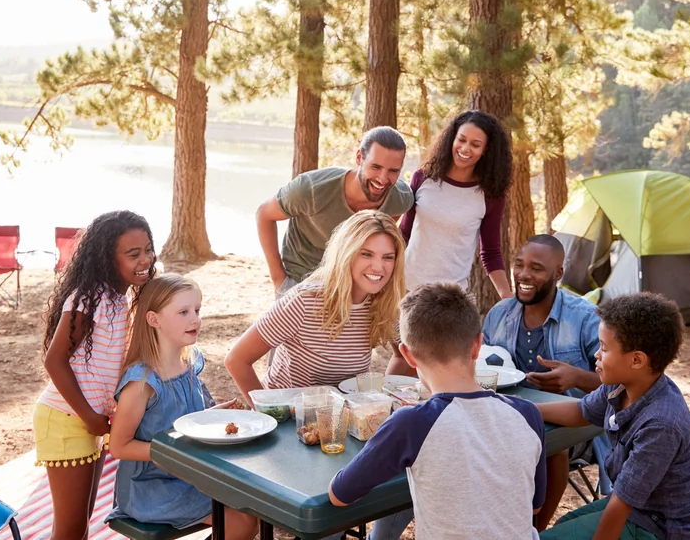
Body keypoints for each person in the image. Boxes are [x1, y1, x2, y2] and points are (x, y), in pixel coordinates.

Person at [329, 282, 547, 540]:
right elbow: (534, 505)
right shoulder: (528, 414)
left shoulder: (411, 423)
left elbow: (339, 494)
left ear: (408, 356)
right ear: (478, 345)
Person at [538, 292, 690, 540]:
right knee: (565, 523)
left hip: (666, 529)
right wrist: (524, 408)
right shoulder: (621, 385)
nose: (597, 355)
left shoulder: (661, 424)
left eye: (604, 348)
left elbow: (621, 505)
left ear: (636, 360)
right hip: (643, 509)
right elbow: (581, 411)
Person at [105, 274, 257, 539]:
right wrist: (174, 453)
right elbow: (119, 446)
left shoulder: (189, 364)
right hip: (152, 486)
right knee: (242, 520)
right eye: (183, 312)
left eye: (197, 310)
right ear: (154, 320)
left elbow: (184, 422)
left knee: (253, 506)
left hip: (188, 474)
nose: (195, 319)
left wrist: (217, 415)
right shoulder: (142, 382)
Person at [34, 210, 156, 540]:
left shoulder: (121, 296)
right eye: (133, 254)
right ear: (106, 257)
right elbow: (54, 360)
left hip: (92, 420)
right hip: (66, 418)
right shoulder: (89, 297)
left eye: (148, 249)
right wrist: (89, 416)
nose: (144, 259)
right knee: (70, 530)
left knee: (81, 524)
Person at [482, 234, 612, 531]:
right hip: (509, 416)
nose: (524, 274)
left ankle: (535, 531)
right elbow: (482, 366)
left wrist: (577, 377)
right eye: (519, 265)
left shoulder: (585, 318)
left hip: (578, 428)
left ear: (558, 274)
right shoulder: (499, 315)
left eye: (537, 268)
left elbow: (620, 383)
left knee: (551, 445)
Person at [226, 209, 407, 401]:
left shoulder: (386, 304)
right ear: (346, 254)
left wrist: (378, 400)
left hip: (345, 419)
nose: (378, 267)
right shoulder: (304, 301)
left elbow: (405, 355)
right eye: (366, 254)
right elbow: (237, 360)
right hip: (289, 417)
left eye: (388, 257)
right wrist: (266, 415)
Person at [256, 126, 414, 298]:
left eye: (393, 171)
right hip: (301, 281)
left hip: (352, 287)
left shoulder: (401, 199)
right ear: (359, 157)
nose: (383, 179)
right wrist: (279, 279)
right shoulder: (311, 189)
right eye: (376, 167)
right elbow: (264, 215)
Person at [399, 110, 514, 298]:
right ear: (452, 138)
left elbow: (491, 252)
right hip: (406, 289)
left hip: (451, 298)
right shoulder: (423, 178)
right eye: (461, 139)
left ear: (486, 150)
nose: (465, 148)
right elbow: (404, 234)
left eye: (475, 144)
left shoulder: (490, 196)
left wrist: (507, 296)